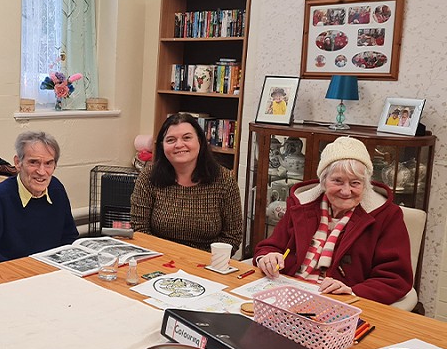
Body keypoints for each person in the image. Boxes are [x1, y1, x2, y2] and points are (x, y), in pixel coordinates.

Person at [253, 137, 412, 304]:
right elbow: (271, 246)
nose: (346, 191)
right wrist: (267, 257)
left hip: (342, 304)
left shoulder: (386, 215)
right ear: (323, 180)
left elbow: (394, 278)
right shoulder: (301, 205)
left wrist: (352, 292)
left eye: (355, 183)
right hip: (289, 293)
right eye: (337, 181)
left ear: (366, 184)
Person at [0, 131, 78, 266]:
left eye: (48, 163)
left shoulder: (56, 189)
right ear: (18, 163)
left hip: (53, 272)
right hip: (15, 275)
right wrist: (20, 267)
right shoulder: (0, 196)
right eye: (33, 162)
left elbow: (69, 237)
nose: (41, 171)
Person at [130, 113, 242, 252]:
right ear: (162, 146)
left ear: (200, 141)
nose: (179, 145)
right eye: (170, 140)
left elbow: (232, 236)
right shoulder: (148, 176)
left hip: (206, 263)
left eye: (187, 138)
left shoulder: (224, 180)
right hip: (157, 259)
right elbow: (139, 230)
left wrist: (196, 261)